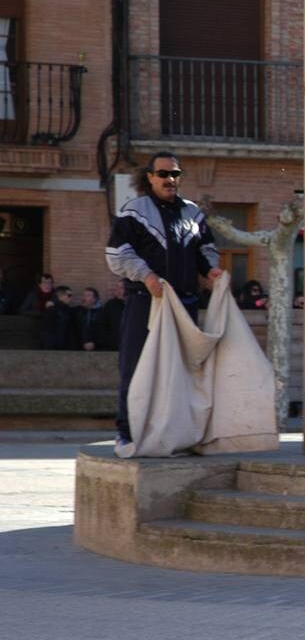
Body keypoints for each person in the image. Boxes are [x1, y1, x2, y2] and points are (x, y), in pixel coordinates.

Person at [105, 151, 224, 448]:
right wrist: (145, 275)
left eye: (175, 174)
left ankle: (177, 433)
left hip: (184, 304)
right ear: (149, 177)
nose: (170, 179)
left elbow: (204, 250)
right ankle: (127, 431)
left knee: (183, 370)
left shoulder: (193, 213)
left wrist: (211, 271)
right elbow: (117, 254)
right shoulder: (133, 212)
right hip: (146, 302)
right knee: (135, 366)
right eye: (163, 174)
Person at [97, 281, 125, 351]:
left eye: (121, 288)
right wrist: (107, 342)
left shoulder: (134, 305)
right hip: (112, 346)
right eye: (117, 287)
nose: (118, 290)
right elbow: (101, 324)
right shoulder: (110, 305)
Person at [75, 288, 102, 352]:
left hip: (98, 348)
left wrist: (94, 343)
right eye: (84, 295)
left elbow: (102, 331)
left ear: (95, 299)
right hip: (79, 348)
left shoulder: (102, 312)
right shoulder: (77, 311)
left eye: (88, 295)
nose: (84, 298)